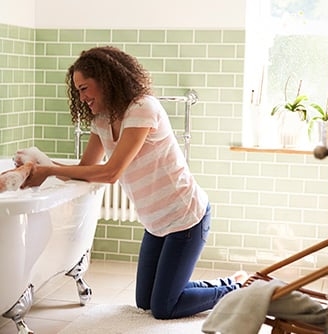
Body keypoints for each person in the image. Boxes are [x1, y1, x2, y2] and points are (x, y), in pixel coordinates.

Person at [16, 46, 246, 319]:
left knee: (164, 307)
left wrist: (48, 170)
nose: (82, 97)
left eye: (85, 88)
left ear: (105, 80)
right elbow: (83, 169)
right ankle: (225, 284)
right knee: (145, 302)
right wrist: (43, 168)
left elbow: (111, 172)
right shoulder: (101, 120)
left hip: (186, 217)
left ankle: (236, 290)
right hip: (156, 223)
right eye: (78, 91)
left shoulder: (142, 108)